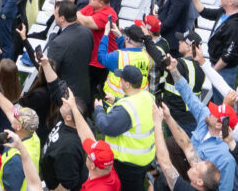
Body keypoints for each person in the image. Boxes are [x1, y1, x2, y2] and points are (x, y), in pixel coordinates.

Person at [165, 56, 236, 191]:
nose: (209, 112)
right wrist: (174, 70)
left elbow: (225, 188)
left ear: (218, 125)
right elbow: (189, 96)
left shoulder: (226, 159)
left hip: (200, 185)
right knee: (171, 143)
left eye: (213, 113)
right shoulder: (205, 117)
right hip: (190, 167)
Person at [93, 64, 154, 190]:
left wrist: (99, 109)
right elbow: (135, 106)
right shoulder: (147, 96)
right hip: (144, 158)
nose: (120, 80)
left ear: (127, 84)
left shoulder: (126, 109)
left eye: (122, 79)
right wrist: (116, 100)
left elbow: (106, 126)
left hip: (128, 165)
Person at [153, 104, 222, 191]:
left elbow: (164, 162)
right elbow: (188, 147)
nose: (194, 163)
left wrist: (157, 123)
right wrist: (168, 117)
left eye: (196, 168)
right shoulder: (204, 182)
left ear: (200, 182)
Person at [192, 0, 238, 99]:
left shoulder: (234, 26)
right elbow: (204, 11)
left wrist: (213, 72)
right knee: (218, 99)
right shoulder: (223, 12)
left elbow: (228, 55)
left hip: (224, 70)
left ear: (230, 2)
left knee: (224, 102)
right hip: (216, 64)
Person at [47, 1, 94, 109]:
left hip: (66, 95)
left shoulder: (58, 43)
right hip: (84, 88)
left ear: (62, 18)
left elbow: (50, 70)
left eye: (55, 14)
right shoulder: (86, 31)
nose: (54, 16)